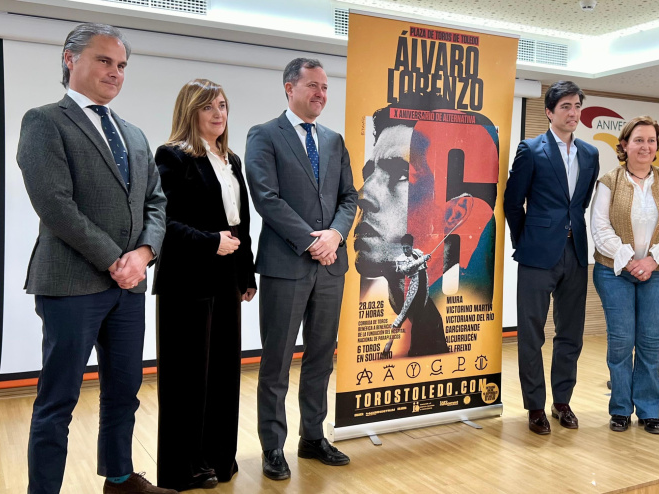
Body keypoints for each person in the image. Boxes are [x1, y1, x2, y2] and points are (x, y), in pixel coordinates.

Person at [16, 23, 170, 494]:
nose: (115, 72)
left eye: (121, 65)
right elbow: (55, 203)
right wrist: (115, 260)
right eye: (104, 60)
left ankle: (120, 480)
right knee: (57, 400)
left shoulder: (136, 135)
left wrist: (142, 255)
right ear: (70, 58)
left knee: (123, 392)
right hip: (70, 284)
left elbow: (156, 203)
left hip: (128, 288)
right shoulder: (44, 121)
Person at [245, 57, 358, 481]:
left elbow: (350, 197)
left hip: (331, 266)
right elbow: (266, 198)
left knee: (320, 358)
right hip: (286, 264)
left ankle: (313, 437)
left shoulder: (333, 140)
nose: (321, 94)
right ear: (289, 88)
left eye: (325, 88)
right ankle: (273, 446)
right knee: (276, 362)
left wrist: (335, 236)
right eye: (312, 86)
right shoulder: (264, 135)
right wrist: (314, 241)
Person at [152, 79, 257, 491]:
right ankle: (184, 467)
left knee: (224, 373)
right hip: (187, 277)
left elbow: (241, 224)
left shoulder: (232, 159)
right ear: (190, 111)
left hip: (227, 276)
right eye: (208, 107)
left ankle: (217, 457)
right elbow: (165, 222)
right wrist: (210, 242)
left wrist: (246, 274)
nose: (219, 114)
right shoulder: (173, 157)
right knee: (187, 378)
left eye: (223, 106)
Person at [354, 101, 497, 358]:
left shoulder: (459, 302)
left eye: (400, 174)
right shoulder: (368, 300)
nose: (363, 194)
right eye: (369, 174)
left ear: (454, 213)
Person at [503, 80, 600, 435]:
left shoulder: (590, 154)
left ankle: (562, 401)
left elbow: (582, 203)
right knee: (531, 334)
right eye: (566, 107)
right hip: (536, 255)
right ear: (549, 112)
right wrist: (525, 239)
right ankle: (534, 407)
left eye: (577, 106)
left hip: (575, 253)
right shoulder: (531, 149)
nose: (573, 113)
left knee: (570, 333)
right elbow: (513, 203)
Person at [590, 116, 659, 435]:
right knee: (621, 342)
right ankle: (620, 408)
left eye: (650, 141)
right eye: (638, 140)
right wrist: (631, 259)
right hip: (613, 272)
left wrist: (653, 260)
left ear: (657, 147)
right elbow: (600, 227)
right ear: (624, 145)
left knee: (648, 341)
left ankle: (649, 409)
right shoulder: (609, 181)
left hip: (657, 272)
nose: (645, 146)